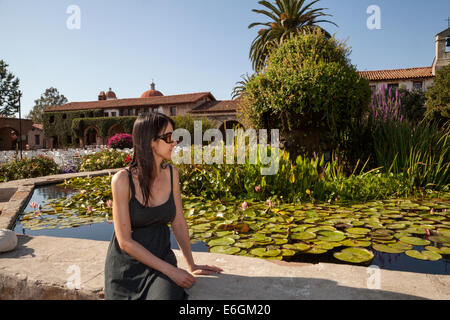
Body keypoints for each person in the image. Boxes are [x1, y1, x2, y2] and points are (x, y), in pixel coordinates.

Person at [104, 112, 223, 300]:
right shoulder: (122, 180)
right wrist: (172, 271)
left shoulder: (172, 173)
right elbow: (125, 241)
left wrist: (191, 264)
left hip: (161, 262)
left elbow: (178, 221)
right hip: (126, 271)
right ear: (150, 141)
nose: (174, 142)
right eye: (168, 137)